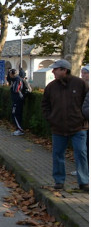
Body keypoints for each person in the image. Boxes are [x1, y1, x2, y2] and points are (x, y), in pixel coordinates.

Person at [41, 60, 89, 191]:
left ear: (64, 70)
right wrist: (50, 118)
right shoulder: (51, 87)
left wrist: (84, 118)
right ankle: (59, 181)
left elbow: (87, 102)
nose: (53, 71)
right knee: (57, 154)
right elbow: (45, 104)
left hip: (79, 127)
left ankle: (84, 182)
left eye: (55, 69)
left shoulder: (80, 84)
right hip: (58, 127)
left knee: (81, 153)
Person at [9, 69, 30, 136]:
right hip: (18, 99)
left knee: (15, 114)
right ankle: (18, 128)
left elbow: (16, 90)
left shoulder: (17, 80)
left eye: (9, 74)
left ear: (12, 74)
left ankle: (20, 129)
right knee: (17, 114)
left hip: (17, 99)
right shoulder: (17, 79)